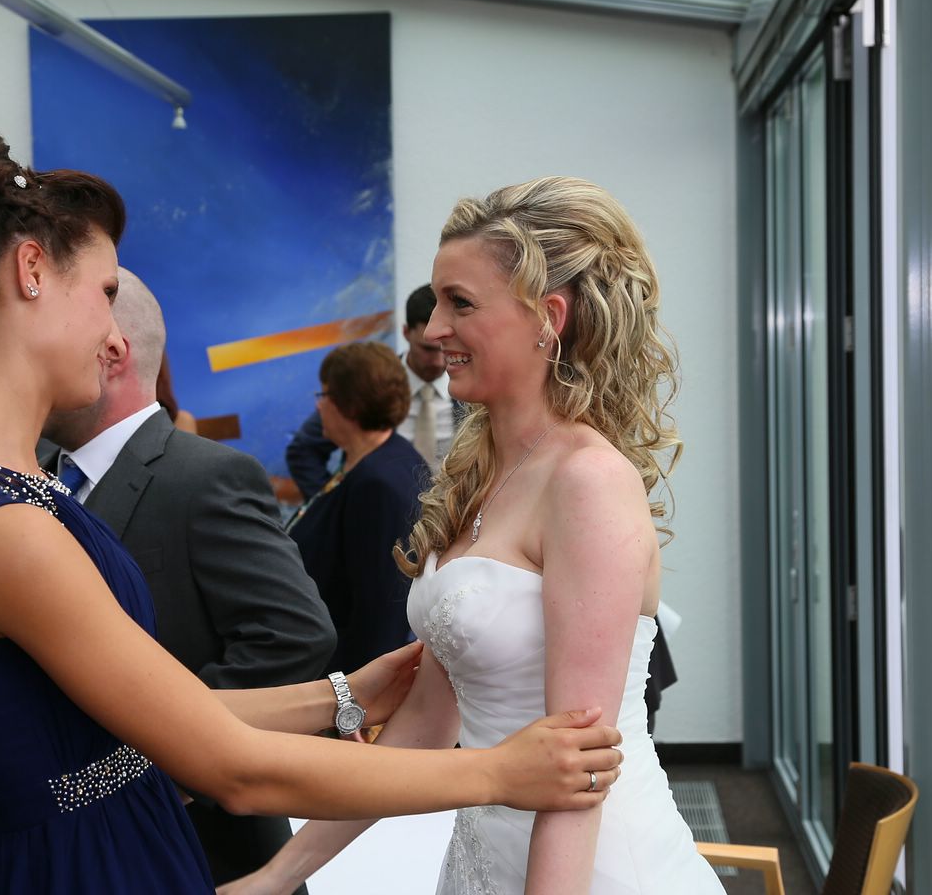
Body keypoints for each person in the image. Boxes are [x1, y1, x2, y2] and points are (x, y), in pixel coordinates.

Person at [0, 134, 624, 895]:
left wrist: (343, 697)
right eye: (105, 293)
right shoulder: (1, 522)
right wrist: (498, 771)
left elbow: (132, 724)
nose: (115, 335)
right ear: (32, 271)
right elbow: (230, 767)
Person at [223, 177, 720, 894]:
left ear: (547, 317)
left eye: (460, 303)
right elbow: (429, 715)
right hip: (483, 851)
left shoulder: (587, 481)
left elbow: (577, 775)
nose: (432, 331)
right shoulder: (484, 470)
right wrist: (277, 875)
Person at [0, 255, 338, 891]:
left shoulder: (206, 477)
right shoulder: (25, 476)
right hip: (40, 847)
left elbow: (292, 636)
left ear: (111, 352)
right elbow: (15, 665)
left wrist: (172, 759)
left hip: (198, 849)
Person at [287, 341, 428, 675]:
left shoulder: (378, 483)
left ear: (349, 406)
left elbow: (380, 610)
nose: (319, 405)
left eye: (325, 395)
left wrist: (350, 694)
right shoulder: (373, 459)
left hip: (348, 677)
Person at [285, 285, 457, 498]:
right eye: (427, 349)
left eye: (445, 348)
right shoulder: (371, 382)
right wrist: (336, 503)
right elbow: (304, 450)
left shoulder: (473, 391)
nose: (438, 361)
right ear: (405, 332)